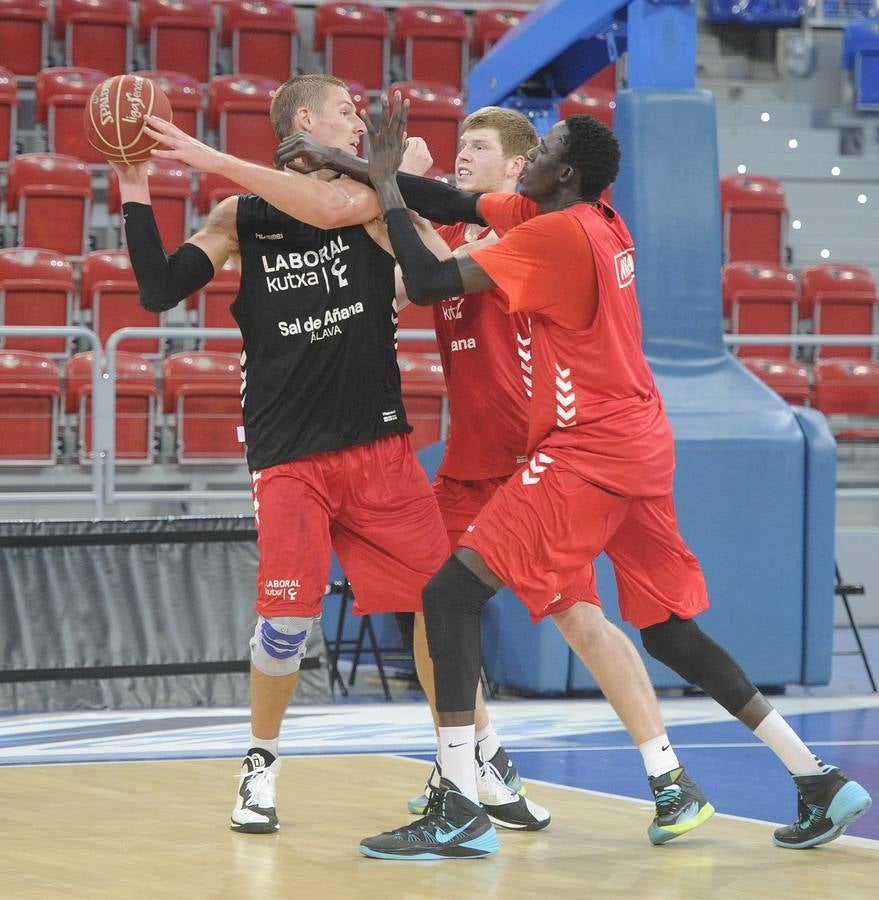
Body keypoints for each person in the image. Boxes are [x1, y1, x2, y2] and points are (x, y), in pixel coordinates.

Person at [342, 95, 872, 860]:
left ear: (559, 172)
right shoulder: (598, 219)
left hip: (587, 447)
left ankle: (457, 803)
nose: (533, 156)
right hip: (642, 439)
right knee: (665, 628)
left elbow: (425, 281)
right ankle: (816, 777)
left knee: (449, 594)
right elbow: (455, 200)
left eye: (544, 147)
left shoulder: (553, 237)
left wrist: (386, 189)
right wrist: (368, 171)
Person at [118, 73, 545, 835]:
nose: (361, 123)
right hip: (290, 453)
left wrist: (405, 187)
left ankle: (480, 755)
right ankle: (260, 763)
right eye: (348, 112)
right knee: (284, 625)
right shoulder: (239, 217)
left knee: (437, 607)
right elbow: (157, 290)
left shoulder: (367, 207)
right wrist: (135, 184)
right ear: (306, 119)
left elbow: (371, 191)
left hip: (379, 445)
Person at [374, 106, 717, 841]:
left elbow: (426, 270)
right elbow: (409, 273)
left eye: (479, 149)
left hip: (532, 465)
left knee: (579, 619)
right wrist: (384, 182)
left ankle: (663, 775)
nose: (462, 158)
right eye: (459, 147)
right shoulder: (479, 228)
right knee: (428, 606)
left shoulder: (526, 235)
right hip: (466, 461)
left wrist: (388, 182)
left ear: (521, 168)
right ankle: (472, 763)